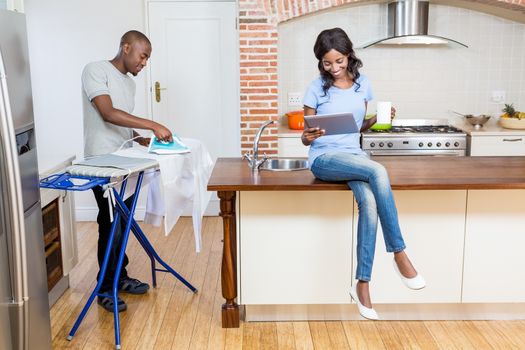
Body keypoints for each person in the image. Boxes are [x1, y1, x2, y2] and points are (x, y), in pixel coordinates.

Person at [301, 28, 426, 320]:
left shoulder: (363, 85)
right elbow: (306, 138)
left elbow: (357, 127)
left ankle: (362, 284)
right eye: (327, 63)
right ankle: (399, 253)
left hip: (354, 156)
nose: (334, 68)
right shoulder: (315, 88)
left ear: (349, 55)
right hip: (324, 158)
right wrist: (309, 136)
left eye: (339, 61)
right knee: (379, 169)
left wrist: (380, 120)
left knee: (369, 203)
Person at [81, 30, 173, 312]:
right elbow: (107, 112)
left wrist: (138, 136)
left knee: (123, 222)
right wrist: (153, 125)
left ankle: (119, 277)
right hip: (103, 162)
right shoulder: (95, 70)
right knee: (110, 224)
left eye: (147, 59)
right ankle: (105, 288)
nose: (144, 63)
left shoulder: (129, 85)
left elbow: (118, 121)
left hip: (126, 161)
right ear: (126, 47)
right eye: (143, 56)